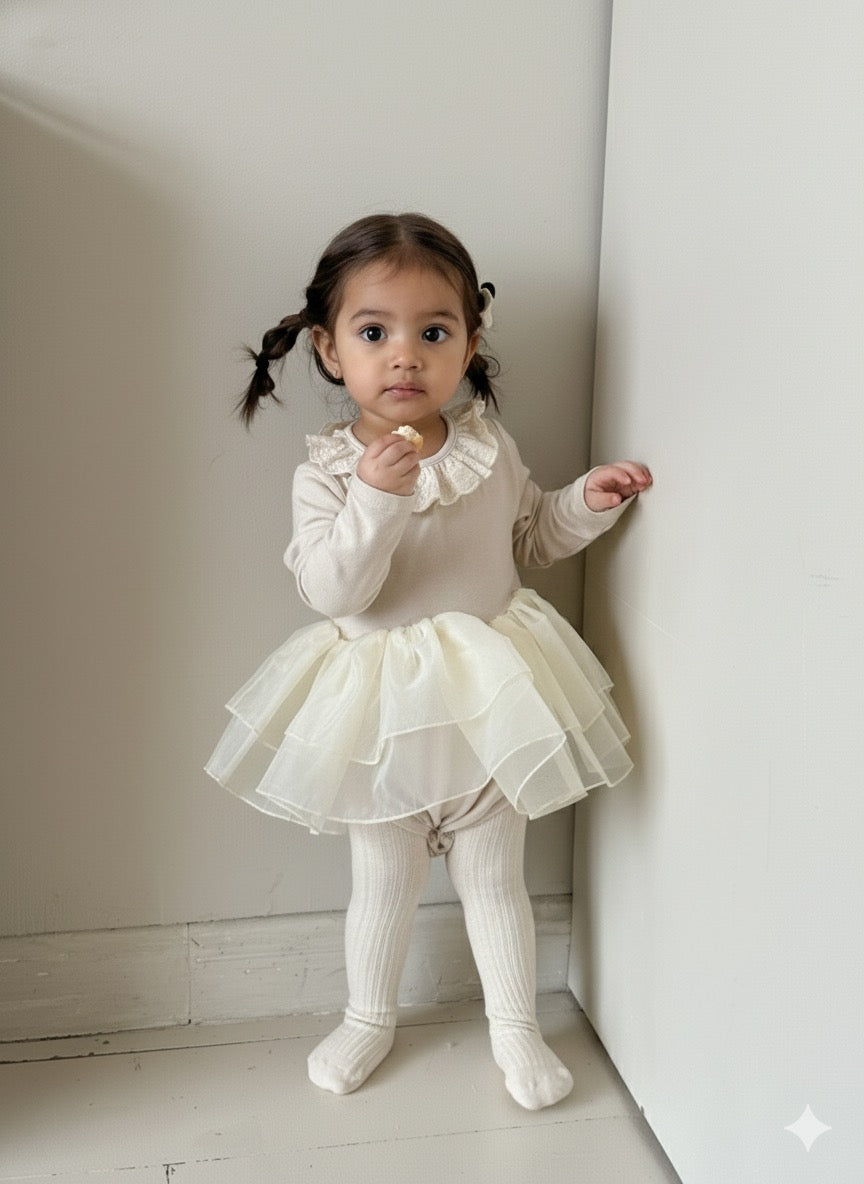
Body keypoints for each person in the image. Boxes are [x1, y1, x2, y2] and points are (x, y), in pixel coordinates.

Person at [206, 213, 652, 1110]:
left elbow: (529, 537)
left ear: (469, 346)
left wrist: (586, 503)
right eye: (375, 333)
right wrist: (374, 499)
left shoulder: (489, 447)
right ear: (330, 350)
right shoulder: (328, 473)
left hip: (490, 711)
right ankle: (368, 1017)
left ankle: (516, 1028)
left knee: (496, 882)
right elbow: (334, 590)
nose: (405, 356)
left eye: (434, 333)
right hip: (382, 725)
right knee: (383, 886)